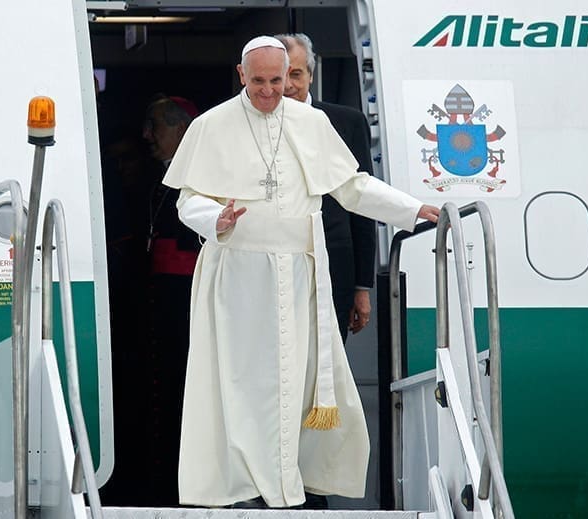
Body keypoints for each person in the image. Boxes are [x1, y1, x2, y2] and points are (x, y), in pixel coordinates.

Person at [162, 36, 440, 509]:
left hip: (298, 278)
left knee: (295, 386)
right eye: (259, 83)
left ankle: (289, 489)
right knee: (243, 388)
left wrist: (412, 209)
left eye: (277, 80)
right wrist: (217, 221)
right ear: (240, 75)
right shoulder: (212, 126)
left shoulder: (312, 123)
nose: (270, 92)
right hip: (238, 280)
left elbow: (352, 187)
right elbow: (188, 201)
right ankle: (251, 492)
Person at [276, 33, 376, 343]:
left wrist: (362, 286)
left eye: (297, 74)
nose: (290, 85)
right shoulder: (251, 125)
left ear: (310, 74)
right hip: (275, 269)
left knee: (329, 363)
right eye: (282, 76)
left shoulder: (347, 122)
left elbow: (362, 204)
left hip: (335, 267)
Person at [139, 95, 202, 506]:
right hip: (162, 295)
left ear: (181, 130)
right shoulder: (163, 174)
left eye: (156, 126)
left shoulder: (197, 173)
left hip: (185, 297)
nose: (147, 136)